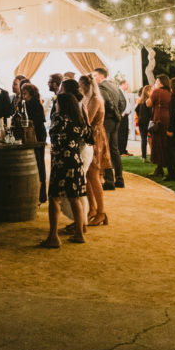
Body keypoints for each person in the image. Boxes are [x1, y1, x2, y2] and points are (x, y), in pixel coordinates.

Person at [40, 91, 92, 248]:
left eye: (57, 103)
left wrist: (56, 150)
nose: (55, 106)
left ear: (61, 105)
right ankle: (79, 233)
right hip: (75, 161)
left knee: (54, 198)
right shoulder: (79, 121)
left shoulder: (59, 119)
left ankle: (53, 236)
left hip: (62, 161)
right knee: (74, 197)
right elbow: (90, 138)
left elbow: (55, 139)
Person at [79, 75, 109, 226]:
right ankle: (92, 209)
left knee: (94, 175)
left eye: (80, 86)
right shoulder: (87, 99)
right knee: (87, 176)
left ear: (86, 86)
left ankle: (101, 212)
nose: (79, 89)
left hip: (95, 137)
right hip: (90, 136)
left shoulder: (96, 99)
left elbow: (87, 120)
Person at [93, 67, 126, 190]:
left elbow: (106, 103)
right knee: (115, 150)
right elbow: (123, 102)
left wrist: (112, 114)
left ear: (101, 76)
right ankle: (119, 179)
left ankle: (109, 181)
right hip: (116, 121)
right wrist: (118, 114)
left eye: (95, 76)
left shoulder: (101, 87)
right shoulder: (114, 86)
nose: (94, 78)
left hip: (107, 120)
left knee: (105, 150)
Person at [21, 83, 48, 202]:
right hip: (33, 133)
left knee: (40, 163)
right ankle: (39, 194)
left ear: (31, 93)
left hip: (38, 134)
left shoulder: (35, 103)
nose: (23, 96)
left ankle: (42, 194)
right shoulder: (26, 103)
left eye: (25, 93)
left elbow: (39, 120)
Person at [149, 75, 171, 178]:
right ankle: (167, 166)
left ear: (161, 83)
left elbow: (148, 103)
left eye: (156, 82)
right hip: (168, 119)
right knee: (166, 143)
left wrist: (152, 91)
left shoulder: (157, 92)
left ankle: (159, 168)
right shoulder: (170, 92)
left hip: (159, 119)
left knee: (157, 144)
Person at [135, 85, 153, 162]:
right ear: (148, 91)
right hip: (147, 122)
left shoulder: (141, 101)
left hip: (141, 122)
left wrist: (140, 116)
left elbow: (136, 109)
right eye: (151, 90)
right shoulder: (149, 101)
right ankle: (153, 157)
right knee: (151, 138)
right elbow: (151, 113)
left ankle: (144, 157)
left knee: (143, 140)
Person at [119, 79, 135, 155]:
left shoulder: (125, 93)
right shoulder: (119, 92)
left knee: (125, 133)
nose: (128, 86)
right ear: (122, 84)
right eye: (127, 84)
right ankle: (120, 150)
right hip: (122, 116)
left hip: (126, 116)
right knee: (121, 133)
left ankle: (124, 149)